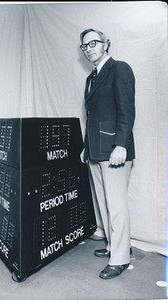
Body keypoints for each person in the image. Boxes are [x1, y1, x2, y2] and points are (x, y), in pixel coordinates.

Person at [79, 28, 135, 279]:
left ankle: (121, 258)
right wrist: (85, 146)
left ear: (105, 44)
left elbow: (126, 109)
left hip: (114, 150)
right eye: (85, 46)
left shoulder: (120, 68)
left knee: (117, 205)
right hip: (95, 150)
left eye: (93, 43)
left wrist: (121, 145)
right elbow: (91, 117)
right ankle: (113, 245)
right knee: (103, 203)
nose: (89, 48)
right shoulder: (91, 78)